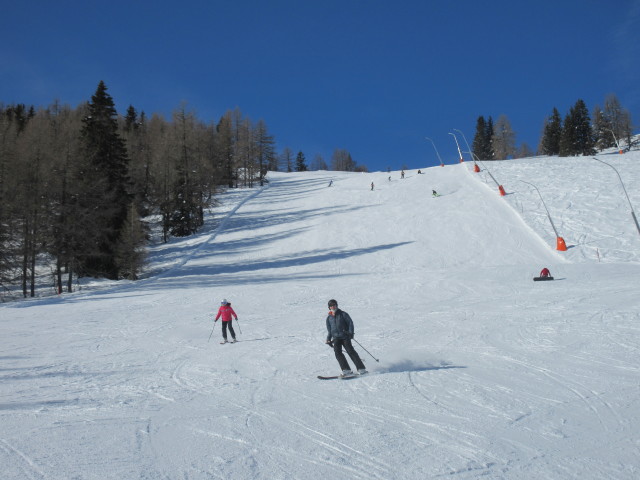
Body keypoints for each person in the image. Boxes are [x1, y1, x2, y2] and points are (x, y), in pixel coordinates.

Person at [325, 299, 367, 376]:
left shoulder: (343, 314)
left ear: (336, 305)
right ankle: (346, 369)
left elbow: (350, 323)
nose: (333, 307)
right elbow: (329, 330)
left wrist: (350, 333)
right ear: (329, 307)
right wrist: (328, 339)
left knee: (350, 351)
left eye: (334, 305)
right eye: (331, 306)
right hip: (336, 338)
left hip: (345, 336)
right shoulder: (329, 318)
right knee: (337, 352)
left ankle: (361, 368)